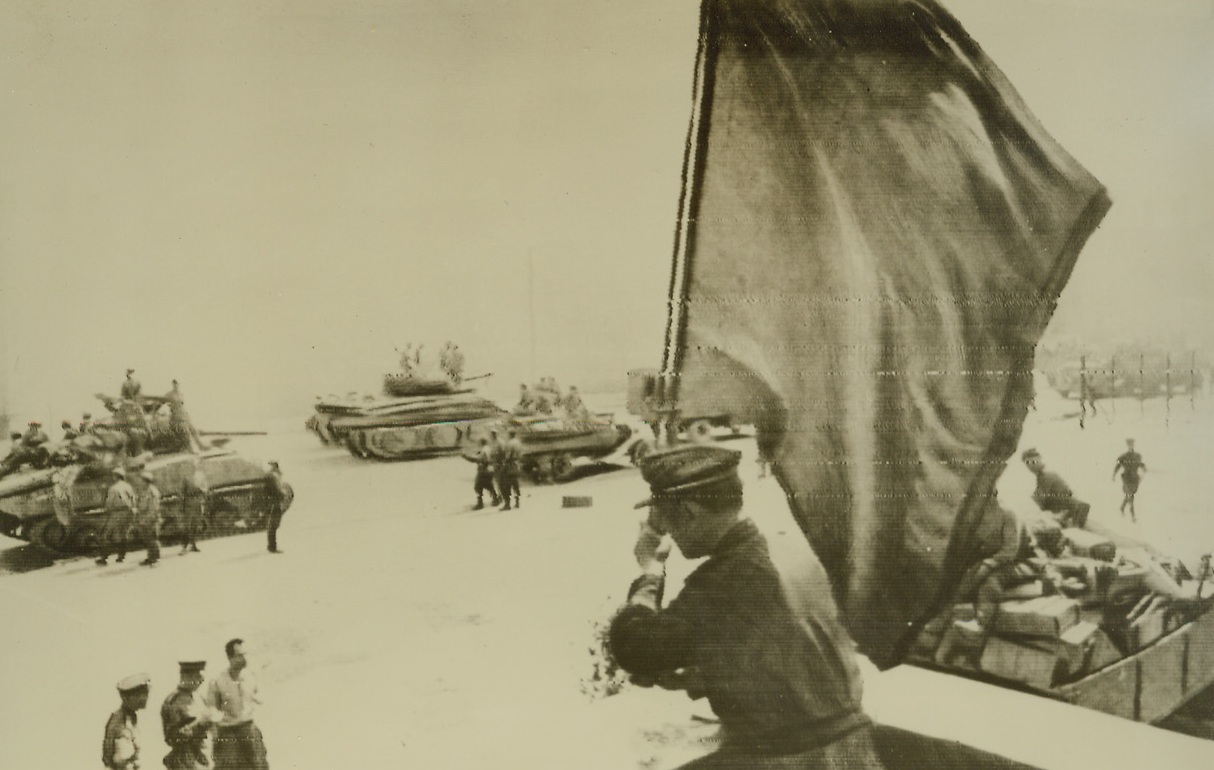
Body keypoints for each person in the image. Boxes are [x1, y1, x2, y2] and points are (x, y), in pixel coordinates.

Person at [608, 445, 884, 769]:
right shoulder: (787, 546)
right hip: (851, 744)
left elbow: (637, 647)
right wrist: (708, 674)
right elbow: (789, 648)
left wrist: (650, 569)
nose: (666, 530)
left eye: (664, 519)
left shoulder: (726, 577)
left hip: (791, 755)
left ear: (688, 512)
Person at [205, 639, 269, 770]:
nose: (245, 658)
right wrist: (215, 730)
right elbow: (211, 708)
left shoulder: (252, 675)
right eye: (240, 655)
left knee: (258, 765)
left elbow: (261, 697)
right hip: (228, 732)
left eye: (246, 654)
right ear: (230, 657)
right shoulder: (217, 680)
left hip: (248, 729)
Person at [161, 661, 212, 770]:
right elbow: (172, 738)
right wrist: (199, 724)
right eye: (198, 676)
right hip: (184, 760)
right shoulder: (173, 702)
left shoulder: (200, 698)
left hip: (202, 756)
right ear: (186, 676)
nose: (202, 680)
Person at [1022, 448, 1090, 529]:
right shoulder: (1042, 476)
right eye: (1027, 463)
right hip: (1070, 511)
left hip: (1074, 512)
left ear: (1040, 459)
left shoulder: (1046, 475)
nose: (1031, 465)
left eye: (1033, 461)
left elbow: (1040, 499)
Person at [103, 672, 150, 770]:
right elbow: (118, 760)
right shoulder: (119, 723)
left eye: (145, 693)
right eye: (141, 694)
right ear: (127, 698)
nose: (145, 698)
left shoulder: (131, 717)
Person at [97, 467, 137, 566]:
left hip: (117, 513)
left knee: (107, 535)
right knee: (123, 535)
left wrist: (107, 510)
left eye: (113, 475)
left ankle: (104, 558)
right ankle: (121, 557)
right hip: (128, 512)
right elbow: (133, 500)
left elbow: (109, 503)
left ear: (116, 476)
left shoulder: (113, 488)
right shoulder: (128, 486)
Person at [1113, 438, 1147, 522]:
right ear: (1127, 446)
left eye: (1132, 445)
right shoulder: (1123, 456)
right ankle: (1133, 516)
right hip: (1127, 478)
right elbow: (1118, 465)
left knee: (1129, 495)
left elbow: (1140, 463)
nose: (1130, 446)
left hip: (1135, 479)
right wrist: (1114, 475)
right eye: (1129, 445)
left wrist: (1144, 468)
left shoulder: (1137, 456)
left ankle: (1122, 507)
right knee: (1130, 496)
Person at [180, 458, 208, 554]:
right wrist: (182, 505)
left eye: (195, 465)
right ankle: (184, 547)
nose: (193, 467)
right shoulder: (186, 477)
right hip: (189, 502)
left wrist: (202, 491)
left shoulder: (201, 476)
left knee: (196, 525)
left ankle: (193, 545)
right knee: (187, 526)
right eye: (191, 465)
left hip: (198, 501)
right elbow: (182, 492)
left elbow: (205, 488)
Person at [264, 461, 292, 554]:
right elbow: (276, 491)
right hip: (274, 504)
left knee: (273, 525)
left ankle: (271, 546)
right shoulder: (272, 477)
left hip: (271, 503)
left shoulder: (270, 476)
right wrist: (282, 495)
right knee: (273, 525)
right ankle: (272, 547)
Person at [465, 437, 500, 510]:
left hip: (484, 470)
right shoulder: (489, 449)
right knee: (488, 485)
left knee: (478, 486)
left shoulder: (483, 450)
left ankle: (480, 503)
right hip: (490, 469)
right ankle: (495, 499)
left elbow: (478, 459)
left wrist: (466, 457)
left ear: (481, 442)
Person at [135, 470, 162, 566]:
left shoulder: (152, 491)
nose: (140, 482)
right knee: (147, 539)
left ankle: (155, 559)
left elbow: (154, 507)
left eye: (141, 481)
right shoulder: (144, 491)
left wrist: (149, 519)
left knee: (152, 538)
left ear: (146, 481)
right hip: (144, 518)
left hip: (151, 519)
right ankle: (150, 557)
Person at [498, 429, 522, 510]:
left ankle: (507, 504)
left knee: (505, 485)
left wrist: (503, 462)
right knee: (515, 484)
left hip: (509, 465)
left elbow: (507, 456)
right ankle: (517, 502)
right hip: (517, 464)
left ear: (509, 434)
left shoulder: (509, 443)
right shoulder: (518, 442)